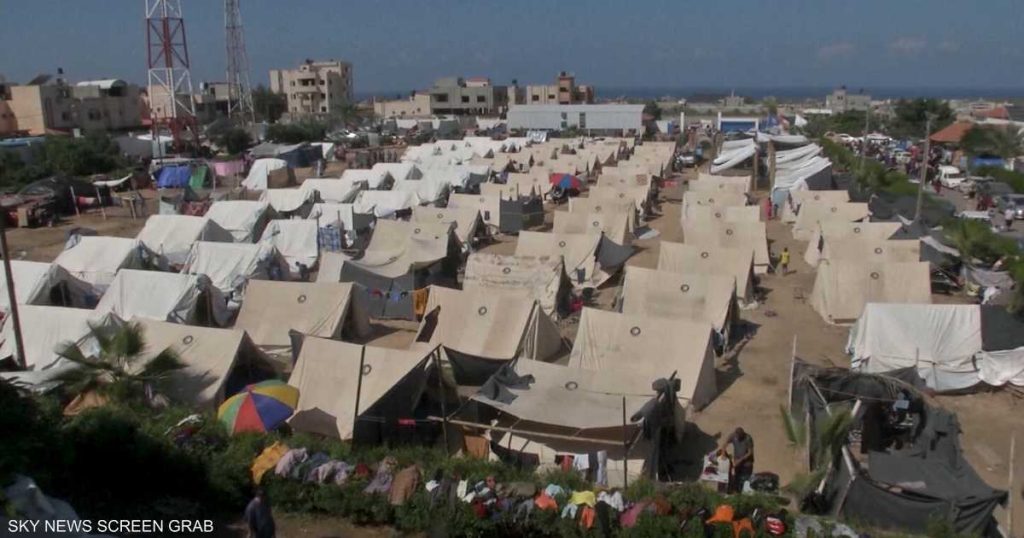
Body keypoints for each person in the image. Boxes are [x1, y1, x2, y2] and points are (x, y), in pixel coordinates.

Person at [723, 428, 754, 493]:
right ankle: (736, 491)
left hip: (746, 464)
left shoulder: (748, 439)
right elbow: (725, 443)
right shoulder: (733, 436)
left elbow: (750, 452)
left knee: (745, 480)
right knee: (737, 477)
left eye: (740, 437)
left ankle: (742, 493)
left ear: (742, 434)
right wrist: (723, 453)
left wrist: (740, 460)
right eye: (737, 437)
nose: (738, 439)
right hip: (737, 462)